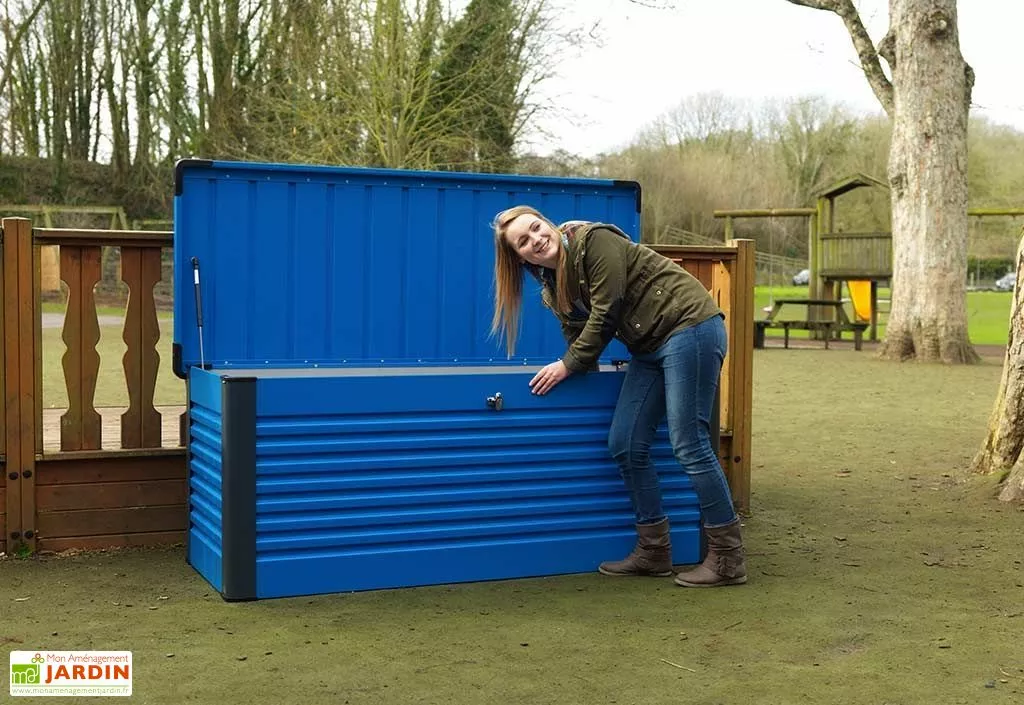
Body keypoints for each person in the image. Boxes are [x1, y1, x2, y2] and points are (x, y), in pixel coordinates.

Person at [490, 205, 746, 588]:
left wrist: (568, 365)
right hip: (649, 346)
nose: (536, 240)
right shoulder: (552, 287)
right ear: (519, 257)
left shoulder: (594, 241)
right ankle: (654, 550)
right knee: (625, 443)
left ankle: (727, 558)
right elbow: (577, 333)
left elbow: (606, 312)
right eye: (523, 242)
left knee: (689, 444)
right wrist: (576, 364)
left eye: (536, 228)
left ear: (547, 222)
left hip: (688, 326)